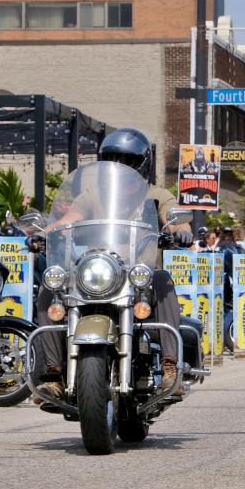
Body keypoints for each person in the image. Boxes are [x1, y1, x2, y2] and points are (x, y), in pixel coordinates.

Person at [34, 128, 189, 401]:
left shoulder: (155, 194)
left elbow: (174, 219)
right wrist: (43, 234)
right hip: (98, 273)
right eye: (114, 159)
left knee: (163, 279)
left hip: (137, 276)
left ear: (141, 164)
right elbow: (70, 218)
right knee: (50, 287)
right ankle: (53, 373)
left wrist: (180, 229)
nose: (120, 166)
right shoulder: (94, 195)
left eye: (127, 160)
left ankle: (170, 368)